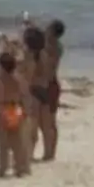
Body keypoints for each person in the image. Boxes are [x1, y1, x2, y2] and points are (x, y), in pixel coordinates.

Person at [25, 20, 67, 164]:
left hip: (43, 86)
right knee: (47, 123)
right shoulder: (54, 46)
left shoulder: (48, 48)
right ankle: (49, 154)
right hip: (49, 85)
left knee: (38, 123)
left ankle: (35, 153)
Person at [0, 43, 31, 178]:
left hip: (2, 109)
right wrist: (25, 111)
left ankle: (3, 169)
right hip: (15, 109)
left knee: (3, 144)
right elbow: (25, 96)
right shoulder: (19, 79)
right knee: (18, 143)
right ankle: (20, 168)